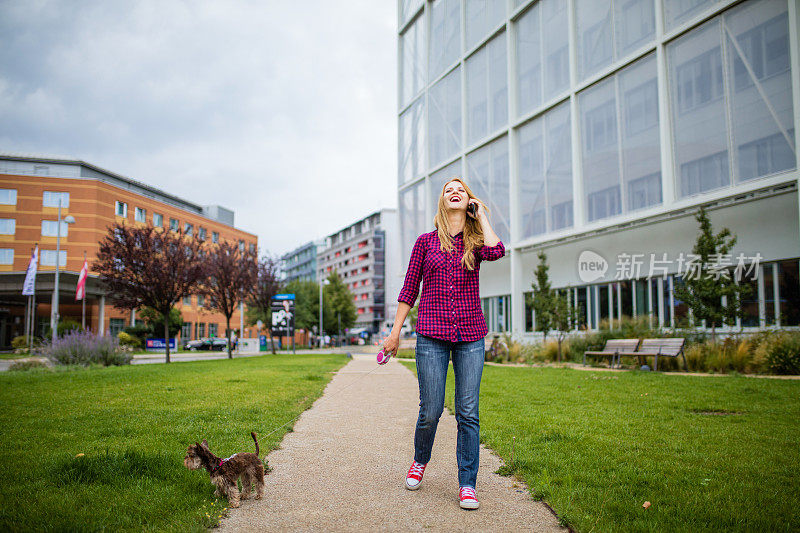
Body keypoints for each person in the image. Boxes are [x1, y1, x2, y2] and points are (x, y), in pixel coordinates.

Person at [382, 177, 505, 510]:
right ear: (442, 201)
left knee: (468, 412)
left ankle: (467, 484)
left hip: (471, 338)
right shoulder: (425, 243)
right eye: (449, 190)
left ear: (468, 201)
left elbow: (498, 251)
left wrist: (481, 217)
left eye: (461, 190)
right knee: (431, 410)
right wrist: (395, 332)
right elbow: (409, 291)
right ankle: (420, 460)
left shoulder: (477, 241)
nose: (455, 192)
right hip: (430, 337)